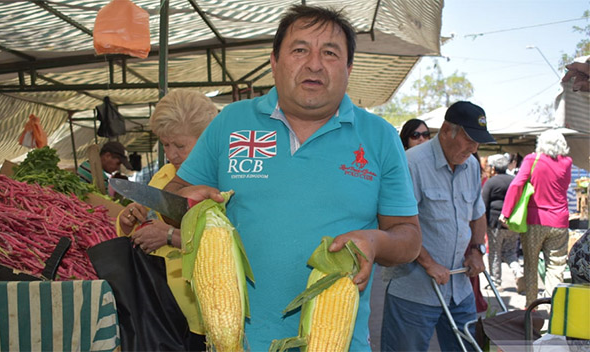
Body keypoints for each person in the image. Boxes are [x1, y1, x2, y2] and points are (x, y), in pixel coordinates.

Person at [163, 5, 422, 351]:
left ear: (349, 68)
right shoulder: (231, 122)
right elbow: (170, 199)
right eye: (300, 50)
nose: (314, 64)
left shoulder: (379, 136)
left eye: (330, 53)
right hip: (236, 342)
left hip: (338, 343)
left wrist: (374, 243)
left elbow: (408, 237)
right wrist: (187, 201)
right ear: (274, 60)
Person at [381, 101, 495, 352]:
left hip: (460, 289)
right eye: (469, 139)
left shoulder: (472, 165)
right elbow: (396, 223)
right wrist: (429, 263)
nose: (474, 147)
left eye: (478, 141)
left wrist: (476, 249)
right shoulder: (411, 163)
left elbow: (477, 214)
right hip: (414, 290)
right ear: (446, 131)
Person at [116, 89, 218, 350]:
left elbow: (223, 246)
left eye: (180, 145)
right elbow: (146, 221)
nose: (171, 154)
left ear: (207, 139)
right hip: (164, 311)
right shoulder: (164, 175)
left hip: (205, 317)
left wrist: (169, 236)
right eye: (165, 144)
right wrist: (128, 221)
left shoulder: (220, 182)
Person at [500, 129, 572, 307]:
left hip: (536, 220)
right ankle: (552, 308)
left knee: (531, 266)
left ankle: (532, 308)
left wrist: (506, 212)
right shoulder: (567, 162)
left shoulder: (533, 159)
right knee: (556, 268)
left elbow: (517, 183)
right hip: (560, 221)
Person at [482, 153, 523, 291]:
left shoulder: (491, 182)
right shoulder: (514, 180)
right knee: (511, 252)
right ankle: (518, 272)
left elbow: (483, 203)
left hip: (495, 224)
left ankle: (495, 282)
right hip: (512, 223)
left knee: (495, 253)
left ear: (493, 168)